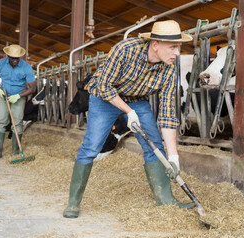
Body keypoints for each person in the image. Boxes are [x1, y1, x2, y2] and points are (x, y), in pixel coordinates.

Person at [63, 20, 196, 218]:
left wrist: (173, 156)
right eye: (173, 47)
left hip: (137, 100)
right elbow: (104, 85)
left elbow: (168, 114)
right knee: (91, 147)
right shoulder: (125, 50)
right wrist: (127, 111)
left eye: (179, 47)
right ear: (155, 45)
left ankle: (166, 200)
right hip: (104, 97)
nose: (177, 53)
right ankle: (73, 203)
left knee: (154, 147)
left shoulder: (169, 69)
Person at [0, 44, 36, 159]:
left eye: (17, 58)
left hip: (18, 97)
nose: (15, 60)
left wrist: (19, 96)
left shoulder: (26, 67)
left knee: (17, 123)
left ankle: (15, 153)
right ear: (7, 56)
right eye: (12, 58)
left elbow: (32, 88)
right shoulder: (0, 63)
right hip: (3, 96)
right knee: (0, 122)